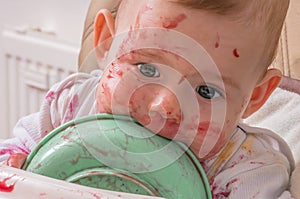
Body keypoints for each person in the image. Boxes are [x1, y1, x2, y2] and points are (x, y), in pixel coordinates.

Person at [0, 0, 295, 198]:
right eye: (147, 68)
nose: (161, 108)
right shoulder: (69, 105)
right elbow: (11, 158)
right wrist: (16, 169)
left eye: (206, 91)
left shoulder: (248, 170)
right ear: (105, 41)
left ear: (255, 97)